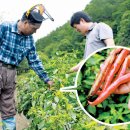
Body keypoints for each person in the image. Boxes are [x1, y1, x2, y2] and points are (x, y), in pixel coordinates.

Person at [0, 4, 54, 130]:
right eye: (34, 28)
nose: (35, 31)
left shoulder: (29, 40)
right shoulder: (5, 27)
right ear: (25, 23)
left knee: (8, 109)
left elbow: (34, 61)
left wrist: (47, 79)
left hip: (11, 73)